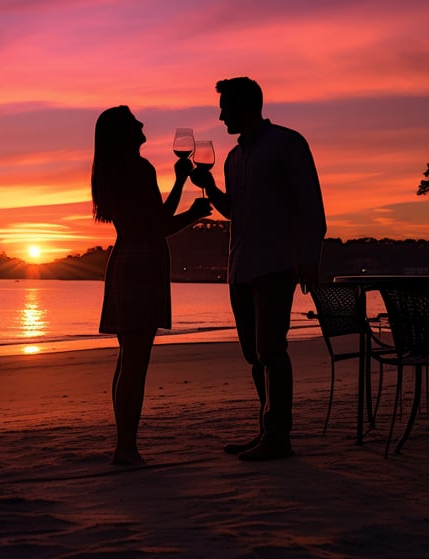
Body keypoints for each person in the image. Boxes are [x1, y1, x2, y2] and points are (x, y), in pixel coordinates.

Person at [189, 77, 327, 461]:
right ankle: (267, 429)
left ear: (246, 105)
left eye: (225, 106)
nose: (220, 115)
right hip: (241, 267)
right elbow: (234, 211)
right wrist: (211, 187)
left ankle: (278, 435)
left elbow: (310, 203)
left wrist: (309, 258)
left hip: (276, 264)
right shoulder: (234, 158)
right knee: (253, 354)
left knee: (271, 348)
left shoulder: (287, 143)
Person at [92, 105, 213, 466]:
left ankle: (124, 444)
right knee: (136, 361)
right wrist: (192, 211)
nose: (143, 124)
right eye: (134, 122)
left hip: (125, 258)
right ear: (125, 133)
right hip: (142, 264)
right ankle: (126, 448)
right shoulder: (138, 168)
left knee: (127, 357)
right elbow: (158, 225)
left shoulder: (112, 170)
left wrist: (178, 183)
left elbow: (150, 220)